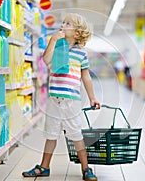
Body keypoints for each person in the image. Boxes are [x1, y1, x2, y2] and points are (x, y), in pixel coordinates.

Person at [22, 13, 101, 181]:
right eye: (62, 22)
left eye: (67, 24)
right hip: (53, 99)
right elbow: (46, 60)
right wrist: (52, 41)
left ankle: (86, 168)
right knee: (51, 134)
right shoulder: (57, 47)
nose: (62, 25)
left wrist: (92, 97)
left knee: (76, 135)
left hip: (71, 101)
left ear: (78, 32)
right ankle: (44, 167)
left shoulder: (81, 54)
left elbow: (85, 76)